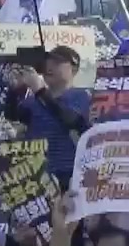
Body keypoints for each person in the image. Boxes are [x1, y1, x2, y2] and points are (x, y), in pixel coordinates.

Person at [5, 46, 91, 186]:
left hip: (68, 175)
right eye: (48, 62)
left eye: (57, 63)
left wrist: (40, 91)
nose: (49, 67)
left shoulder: (81, 95)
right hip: (37, 177)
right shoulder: (33, 100)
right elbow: (13, 118)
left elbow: (71, 120)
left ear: (73, 69)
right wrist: (14, 90)